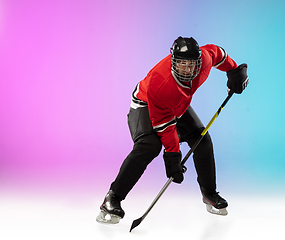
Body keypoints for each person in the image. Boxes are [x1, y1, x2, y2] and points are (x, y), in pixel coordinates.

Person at [96, 36, 249, 224]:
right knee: (149, 145)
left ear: (199, 62)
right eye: (182, 64)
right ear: (173, 62)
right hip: (146, 103)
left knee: (202, 140)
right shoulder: (160, 83)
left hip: (176, 103)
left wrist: (234, 71)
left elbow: (218, 53)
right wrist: (173, 158)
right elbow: (165, 126)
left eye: (191, 64)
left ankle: (209, 194)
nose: (187, 69)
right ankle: (112, 199)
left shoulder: (205, 63)